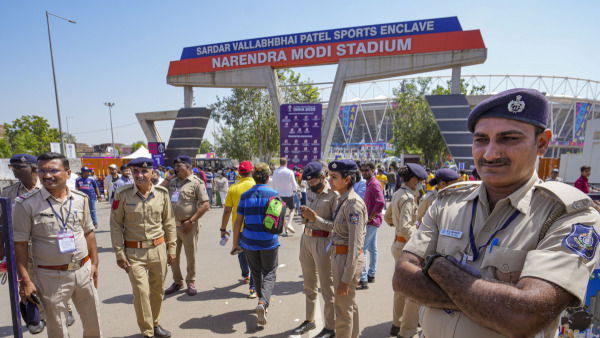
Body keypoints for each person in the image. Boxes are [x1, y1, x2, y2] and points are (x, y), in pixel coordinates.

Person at [393, 88, 600, 338]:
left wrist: (438, 267)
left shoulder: (568, 216)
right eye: (481, 140)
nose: (490, 153)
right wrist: (490, 305)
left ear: (542, 143)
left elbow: (523, 317)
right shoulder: (448, 202)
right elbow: (403, 278)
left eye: (509, 138)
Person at [13, 152, 102, 337]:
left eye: (53, 170)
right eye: (42, 170)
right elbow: (19, 245)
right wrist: (25, 280)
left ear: (68, 173)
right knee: (58, 329)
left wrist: (94, 264)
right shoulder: (25, 204)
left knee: (93, 324)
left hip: (83, 270)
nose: (47, 175)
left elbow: (88, 233)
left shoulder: (80, 199)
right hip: (50, 276)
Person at [110, 157, 176, 338]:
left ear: (152, 173)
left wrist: (172, 249)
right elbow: (116, 225)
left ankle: (155, 323)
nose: (140, 175)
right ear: (131, 172)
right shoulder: (122, 195)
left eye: (144, 171)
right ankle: (147, 332)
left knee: (157, 291)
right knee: (141, 292)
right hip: (133, 252)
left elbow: (169, 223)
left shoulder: (162, 194)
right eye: (136, 171)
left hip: (158, 249)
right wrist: (119, 252)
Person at [231, 162, 280, 326]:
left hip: (249, 241)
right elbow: (278, 221)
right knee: (270, 272)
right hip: (269, 242)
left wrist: (235, 243)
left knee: (256, 272)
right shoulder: (274, 195)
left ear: (253, 176)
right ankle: (263, 303)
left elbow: (238, 222)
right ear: (267, 177)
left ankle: (261, 301)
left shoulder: (245, 196)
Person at [292, 162, 337, 338]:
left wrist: (315, 217)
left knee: (327, 286)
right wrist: (304, 216)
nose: (311, 185)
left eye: (313, 181)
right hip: (307, 239)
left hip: (323, 241)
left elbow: (337, 226)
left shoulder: (334, 195)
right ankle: (309, 320)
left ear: (323, 176)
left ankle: (330, 327)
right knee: (309, 285)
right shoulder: (310, 192)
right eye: (308, 182)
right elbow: (307, 218)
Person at [388, 163, 428, 337]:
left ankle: (397, 323)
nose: (421, 184)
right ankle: (407, 329)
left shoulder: (398, 193)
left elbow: (387, 217)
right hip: (407, 246)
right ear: (413, 180)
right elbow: (406, 226)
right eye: (419, 181)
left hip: (398, 243)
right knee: (412, 290)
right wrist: (420, 238)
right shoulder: (409, 198)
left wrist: (396, 226)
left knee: (400, 288)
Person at [328, 159, 367, 338]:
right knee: (349, 305)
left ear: (347, 179)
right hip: (340, 257)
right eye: (330, 176)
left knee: (343, 311)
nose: (330, 180)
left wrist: (346, 278)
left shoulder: (353, 204)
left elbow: (355, 245)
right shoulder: (342, 199)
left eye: (334, 177)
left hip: (346, 261)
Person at [162, 156, 210, 296]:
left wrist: (192, 221)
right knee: (172, 256)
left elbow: (205, 204)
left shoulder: (196, 182)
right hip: (171, 226)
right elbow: (157, 191)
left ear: (188, 166)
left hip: (188, 225)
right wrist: (168, 178)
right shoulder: (172, 181)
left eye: (179, 166)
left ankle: (191, 281)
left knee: (190, 256)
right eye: (174, 166)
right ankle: (177, 281)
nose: (175, 168)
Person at [221, 161, 257, 298]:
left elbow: (227, 211)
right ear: (251, 171)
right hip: (254, 227)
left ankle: (245, 274)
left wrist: (222, 229)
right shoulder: (256, 186)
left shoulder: (233, 188)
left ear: (238, 173)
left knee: (241, 252)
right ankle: (253, 288)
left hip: (239, 228)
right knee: (254, 257)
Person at [357, 162, 385, 289]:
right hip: (372, 221)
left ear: (373, 170)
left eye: (366, 170)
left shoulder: (374, 184)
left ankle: (363, 279)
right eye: (362, 170)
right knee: (372, 249)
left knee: (361, 249)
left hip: (371, 222)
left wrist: (371, 217)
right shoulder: (369, 183)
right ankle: (371, 274)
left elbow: (380, 203)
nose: (364, 172)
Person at [272, 158, 298, 235]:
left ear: (280, 163)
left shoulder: (275, 172)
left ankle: (286, 227)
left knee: (281, 212)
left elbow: (273, 184)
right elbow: (294, 185)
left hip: (279, 195)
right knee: (292, 209)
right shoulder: (290, 172)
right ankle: (289, 223)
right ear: (286, 163)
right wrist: (295, 189)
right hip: (288, 194)